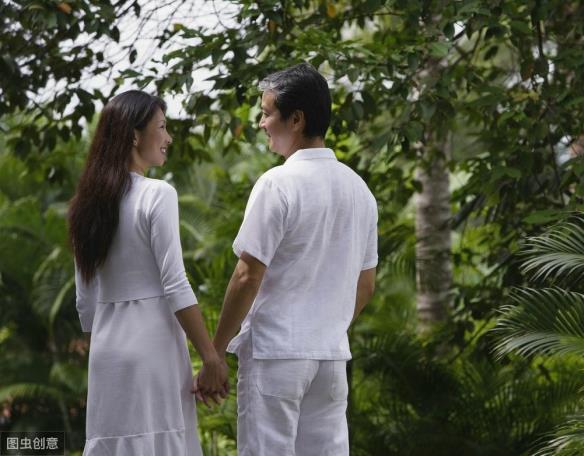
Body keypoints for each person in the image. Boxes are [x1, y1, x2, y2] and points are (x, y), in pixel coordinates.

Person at [195, 62, 378, 455]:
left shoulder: (277, 183)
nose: (261, 123)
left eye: (266, 113)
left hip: (276, 355)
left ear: (296, 119)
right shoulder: (360, 190)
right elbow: (366, 286)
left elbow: (247, 276)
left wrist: (215, 352)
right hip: (330, 360)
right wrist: (324, 327)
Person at [69, 90, 228, 455]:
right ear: (134, 135)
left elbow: (85, 301)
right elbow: (176, 284)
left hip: (107, 352)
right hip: (154, 347)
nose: (168, 137)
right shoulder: (158, 194)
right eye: (162, 127)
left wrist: (106, 342)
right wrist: (210, 357)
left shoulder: (84, 206)